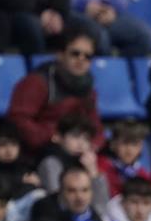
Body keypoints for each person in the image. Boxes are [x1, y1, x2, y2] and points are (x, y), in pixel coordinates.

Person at [7, 29, 104, 159]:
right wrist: (55, 138)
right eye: (75, 53)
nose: (81, 59)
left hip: (76, 152)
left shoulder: (89, 90)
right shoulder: (36, 83)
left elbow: (95, 126)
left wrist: (92, 146)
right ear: (60, 54)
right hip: (39, 154)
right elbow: (18, 120)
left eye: (88, 56)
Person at [27, 163, 104, 221]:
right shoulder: (43, 212)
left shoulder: (94, 217)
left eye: (85, 190)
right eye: (72, 191)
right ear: (60, 191)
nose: (80, 197)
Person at [98, 119, 151, 196]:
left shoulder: (142, 174)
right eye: (125, 143)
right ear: (113, 144)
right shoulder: (102, 167)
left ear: (141, 147)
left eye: (135, 144)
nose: (129, 150)